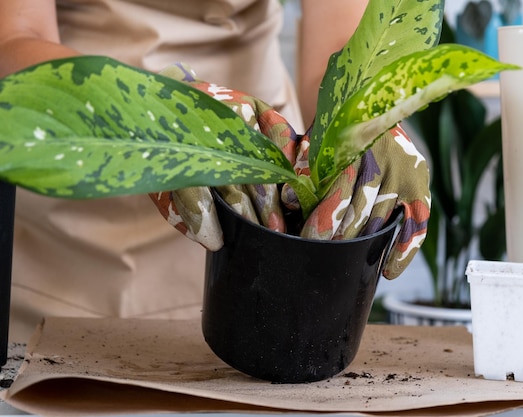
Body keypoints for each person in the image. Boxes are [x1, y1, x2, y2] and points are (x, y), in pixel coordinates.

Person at [0, 0, 368, 342]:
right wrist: (158, 109)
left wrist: (361, 124)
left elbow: (338, 44)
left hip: (259, 176)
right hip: (85, 150)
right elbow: (15, 37)